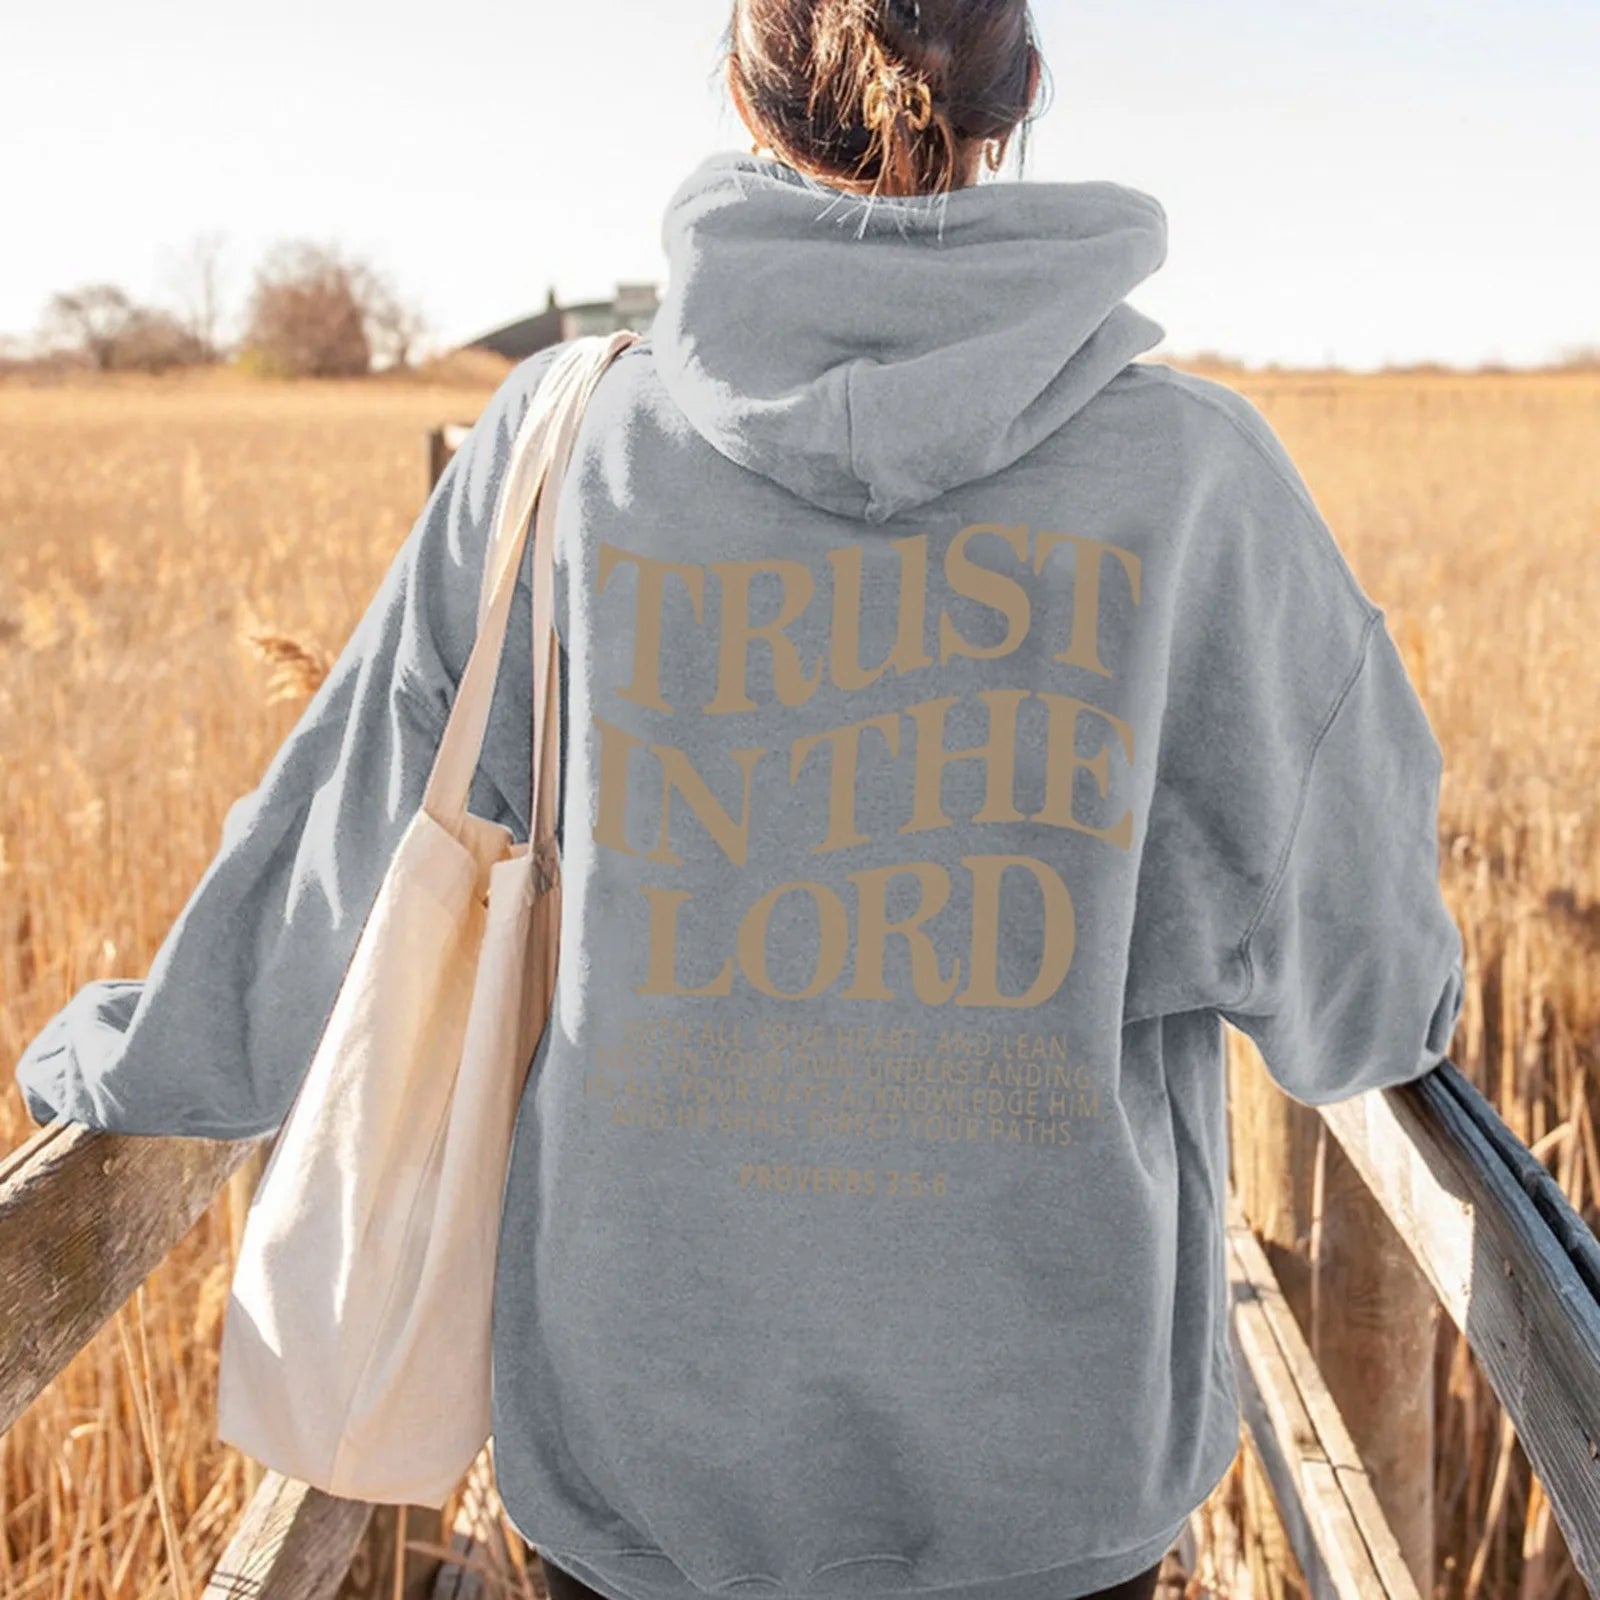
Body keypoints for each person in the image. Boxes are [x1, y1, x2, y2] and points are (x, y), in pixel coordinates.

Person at [14, 2, 1466, 1599]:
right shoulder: (1201, 478)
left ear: (741, 88)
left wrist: (135, 1056)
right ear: (1026, 91)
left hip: (636, 1473)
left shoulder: (566, 442)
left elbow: (338, 847)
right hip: (1049, 1484)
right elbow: (1362, 1008)